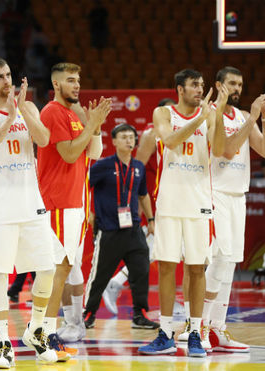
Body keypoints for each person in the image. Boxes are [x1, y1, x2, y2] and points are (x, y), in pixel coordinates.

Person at [0, 57, 61, 368]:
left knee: (48, 267)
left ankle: (35, 330)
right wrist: (9, 119)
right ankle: (3, 345)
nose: (6, 81)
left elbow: (44, 140)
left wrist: (22, 109)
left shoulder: (28, 107)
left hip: (31, 204)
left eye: (8, 74)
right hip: (0, 208)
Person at [138, 69, 226, 358]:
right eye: (194, 85)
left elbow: (222, 150)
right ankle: (165, 333)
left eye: (201, 85)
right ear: (180, 89)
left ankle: (195, 334)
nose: (199, 90)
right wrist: (201, 118)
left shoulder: (210, 114)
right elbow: (171, 141)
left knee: (197, 267)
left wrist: (219, 113)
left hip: (199, 201)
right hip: (170, 201)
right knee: (166, 266)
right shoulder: (163, 113)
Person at [199, 66, 265, 353]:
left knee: (230, 262)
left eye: (241, 84)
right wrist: (253, 118)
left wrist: (264, 117)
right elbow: (225, 150)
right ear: (219, 85)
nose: (238, 89)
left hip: (237, 194)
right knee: (218, 260)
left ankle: (217, 329)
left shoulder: (245, 116)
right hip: (214, 192)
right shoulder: (210, 111)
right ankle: (200, 327)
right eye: (232, 83)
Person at [37, 62, 109, 349]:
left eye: (78, 79)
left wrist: (96, 127)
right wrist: (90, 124)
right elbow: (68, 154)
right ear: (56, 84)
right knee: (58, 268)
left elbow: (94, 151)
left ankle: (59, 326)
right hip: (58, 201)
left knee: (67, 267)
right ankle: (45, 331)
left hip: (75, 202)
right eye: (70, 80)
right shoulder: (52, 112)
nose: (77, 85)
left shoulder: (72, 113)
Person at [99, 98, 176, 317]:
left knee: (157, 250)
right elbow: (137, 169)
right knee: (151, 248)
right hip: (152, 198)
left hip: (169, 197)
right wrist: (135, 207)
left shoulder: (175, 132)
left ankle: (117, 283)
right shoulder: (152, 133)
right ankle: (115, 283)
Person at [84, 123, 159, 330]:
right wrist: (88, 213)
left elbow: (143, 195)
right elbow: (84, 185)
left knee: (141, 271)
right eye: (123, 137)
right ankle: (89, 313)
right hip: (109, 230)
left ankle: (140, 314)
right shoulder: (102, 166)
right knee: (99, 275)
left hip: (134, 229)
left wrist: (151, 221)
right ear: (114, 141)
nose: (128, 140)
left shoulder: (138, 167)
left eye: (131, 137)